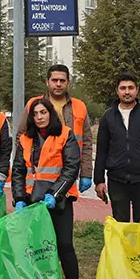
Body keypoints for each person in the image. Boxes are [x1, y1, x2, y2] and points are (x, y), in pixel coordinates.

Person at [11, 98, 83, 279]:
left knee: (64, 246)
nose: (40, 117)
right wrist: (19, 198)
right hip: (33, 203)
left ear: (50, 113)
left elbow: (71, 168)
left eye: (43, 112)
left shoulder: (65, 134)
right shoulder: (25, 139)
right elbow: (18, 171)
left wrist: (55, 194)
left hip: (58, 201)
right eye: (36, 114)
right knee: (37, 248)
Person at [92, 74, 140, 222]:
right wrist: (99, 180)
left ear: (137, 90)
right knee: (120, 224)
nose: (127, 92)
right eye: (123, 88)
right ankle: (123, 246)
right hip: (117, 180)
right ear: (117, 91)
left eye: (130, 88)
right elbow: (102, 151)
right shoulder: (108, 117)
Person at [23, 64, 94, 201]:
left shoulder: (79, 106)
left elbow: (87, 142)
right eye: (55, 80)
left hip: (68, 173)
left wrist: (86, 172)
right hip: (39, 174)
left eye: (62, 81)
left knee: (63, 213)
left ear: (68, 82)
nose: (58, 84)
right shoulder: (34, 104)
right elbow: (22, 136)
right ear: (47, 81)